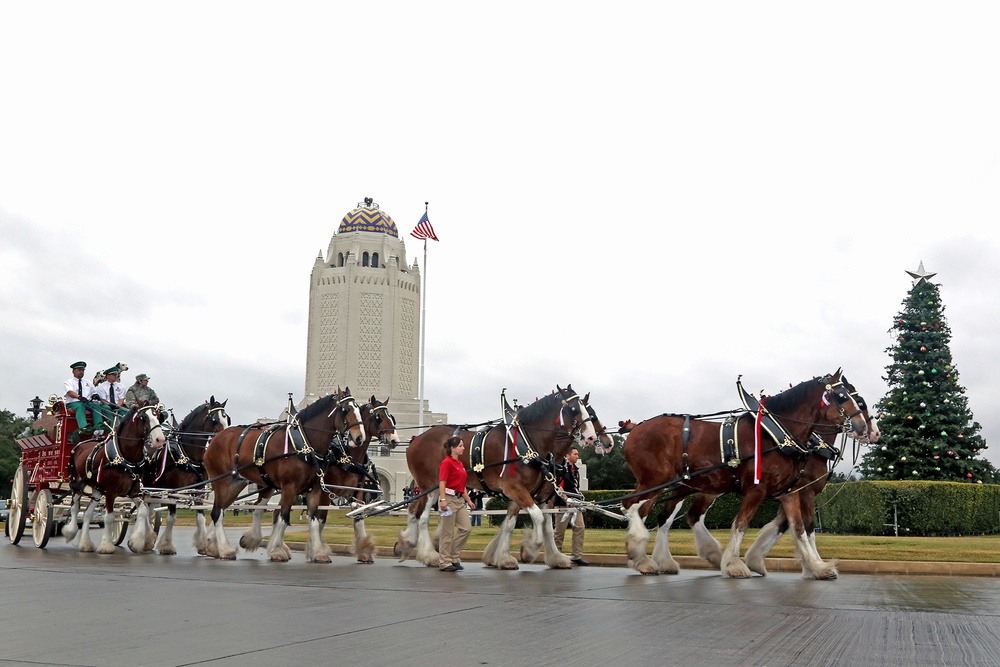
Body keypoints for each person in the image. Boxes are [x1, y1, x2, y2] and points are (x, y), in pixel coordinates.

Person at [437, 436, 475, 572]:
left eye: (463, 446)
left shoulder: (460, 464)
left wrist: (468, 500)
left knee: (466, 528)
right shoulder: (446, 463)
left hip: (459, 500)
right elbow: (442, 482)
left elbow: (462, 485)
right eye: (460, 446)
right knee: (447, 532)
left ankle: (453, 556)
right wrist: (442, 500)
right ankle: (444, 562)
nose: (463, 448)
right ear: (452, 448)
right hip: (449, 499)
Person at [554, 447, 589, 566]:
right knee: (559, 531)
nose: (577, 456)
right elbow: (559, 486)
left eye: (577, 454)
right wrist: (566, 498)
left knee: (580, 527)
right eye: (575, 454)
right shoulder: (561, 469)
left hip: (575, 503)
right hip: (563, 504)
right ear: (567, 455)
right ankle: (556, 554)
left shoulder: (575, 470)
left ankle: (576, 556)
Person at [62, 361, 104, 441]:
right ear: (73, 371)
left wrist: (95, 395)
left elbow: (94, 392)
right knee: (79, 406)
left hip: (87, 402)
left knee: (96, 405)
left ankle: (98, 427)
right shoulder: (68, 382)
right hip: (73, 403)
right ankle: (84, 427)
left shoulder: (87, 382)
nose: (81, 372)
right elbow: (69, 392)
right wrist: (79, 397)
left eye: (83, 370)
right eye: (79, 370)